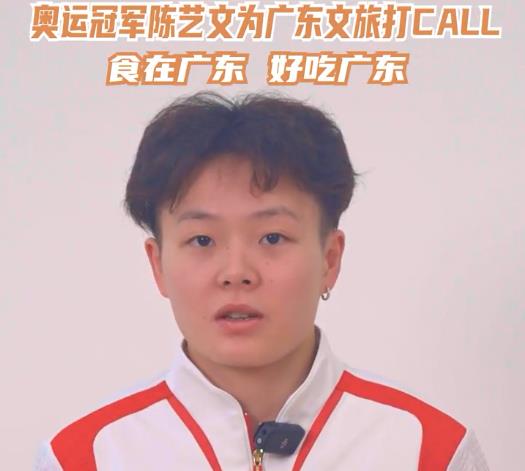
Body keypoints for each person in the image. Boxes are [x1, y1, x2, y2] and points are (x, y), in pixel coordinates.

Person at [35, 92, 489, 470]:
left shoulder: (429, 451)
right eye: (201, 240)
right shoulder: (85, 458)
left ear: (329, 259)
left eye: (272, 237)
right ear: (158, 266)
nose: (237, 272)